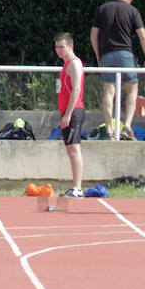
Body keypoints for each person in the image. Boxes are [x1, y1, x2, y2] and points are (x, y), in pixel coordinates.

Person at [90, 0, 145, 140]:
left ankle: (110, 130)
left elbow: (93, 35)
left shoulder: (103, 9)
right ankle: (128, 126)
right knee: (132, 90)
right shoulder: (132, 11)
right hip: (126, 55)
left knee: (109, 91)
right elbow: (143, 36)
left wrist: (99, 56)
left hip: (107, 56)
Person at [53, 32, 86, 198]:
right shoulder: (66, 65)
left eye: (62, 47)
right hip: (67, 111)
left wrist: (68, 114)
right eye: (57, 47)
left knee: (74, 148)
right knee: (70, 149)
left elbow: (77, 89)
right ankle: (75, 186)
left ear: (70, 46)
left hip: (74, 111)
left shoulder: (74, 64)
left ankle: (78, 188)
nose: (59, 50)